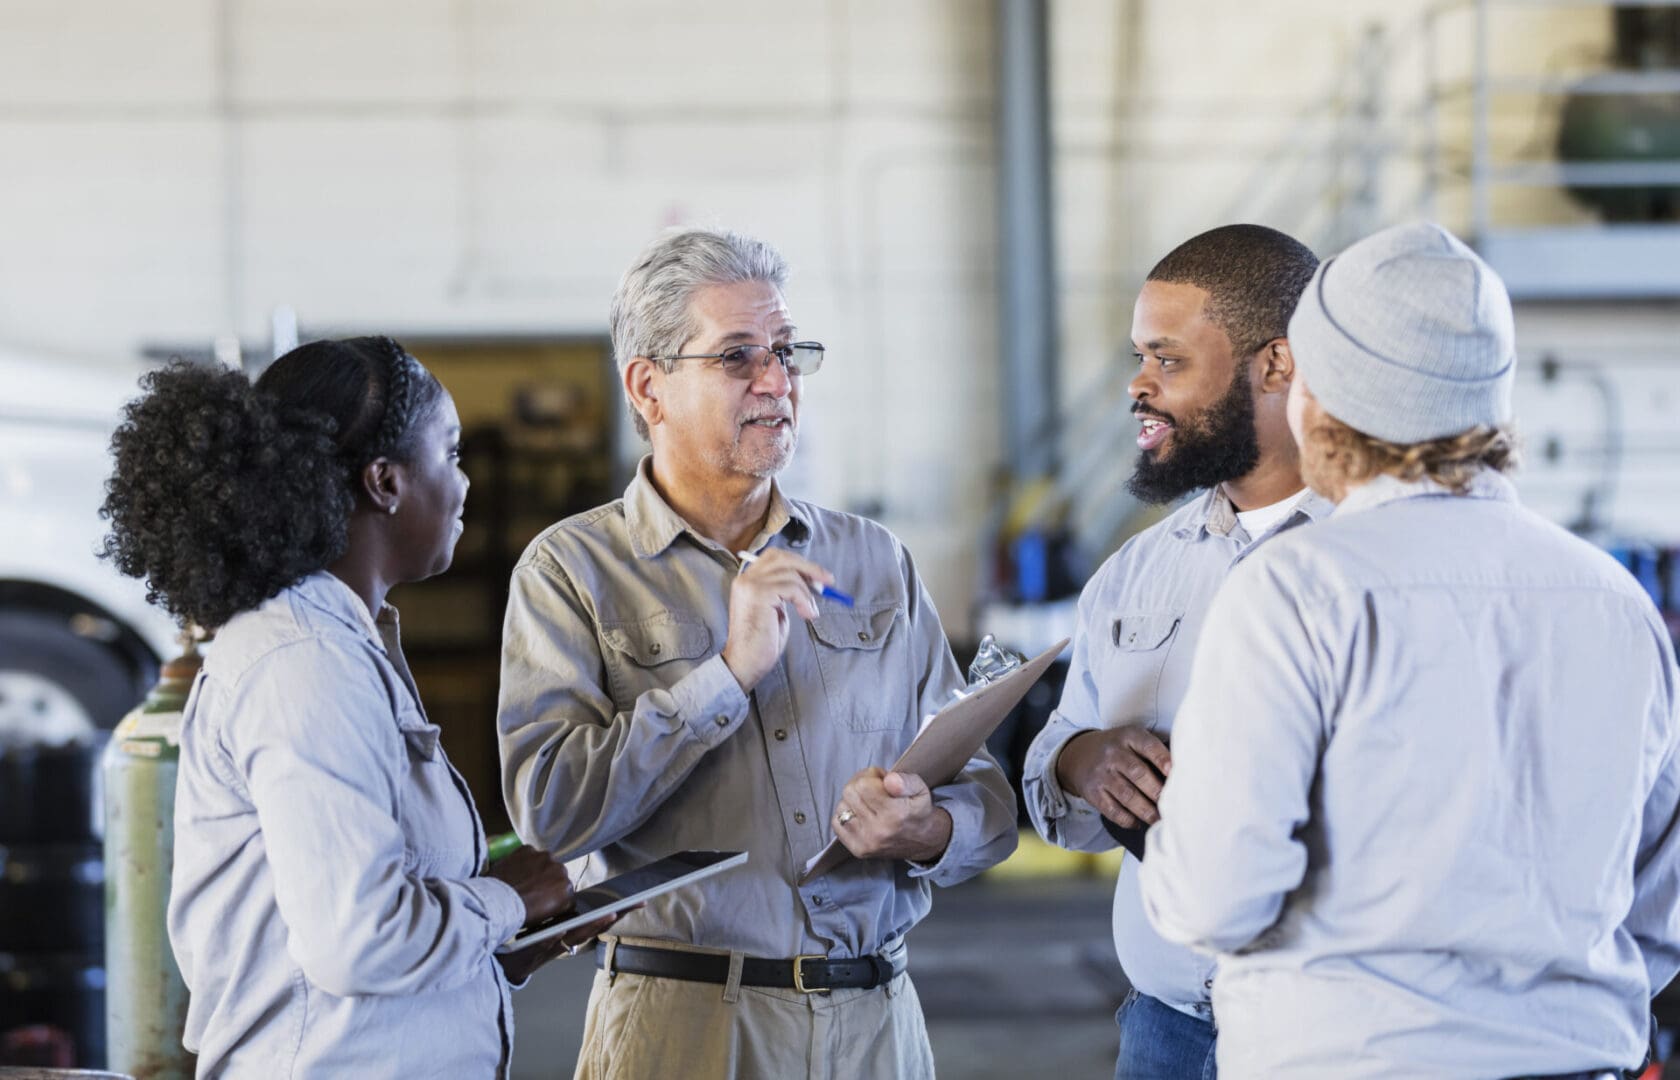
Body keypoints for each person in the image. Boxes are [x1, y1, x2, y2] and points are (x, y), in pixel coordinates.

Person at [1137, 222, 1680, 1078]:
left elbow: (1217, 898)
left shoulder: (1296, 590)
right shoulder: (1614, 598)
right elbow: (1656, 901)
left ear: (1325, 396)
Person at [496, 226, 1018, 1079]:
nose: (778, 382)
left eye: (786, 351)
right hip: (684, 1031)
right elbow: (552, 812)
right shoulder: (574, 571)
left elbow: (987, 798)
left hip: (879, 1027)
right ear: (648, 386)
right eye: (738, 357)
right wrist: (727, 675)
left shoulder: (872, 560)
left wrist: (927, 827)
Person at [101, 337, 615, 1078]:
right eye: (451, 453)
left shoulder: (342, 648)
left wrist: (506, 943)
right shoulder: (302, 665)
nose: (464, 486)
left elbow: (342, 944)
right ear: (385, 481)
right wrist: (506, 897)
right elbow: (359, 938)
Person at [1020, 223, 1328, 1078]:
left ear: (1277, 365)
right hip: (1164, 1032)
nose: (1137, 385)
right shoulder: (1140, 571)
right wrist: (1085, 761)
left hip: (1329, 1038)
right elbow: (1057, 763)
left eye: (1168, 360)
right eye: (1138, 357)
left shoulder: (1377, 558)